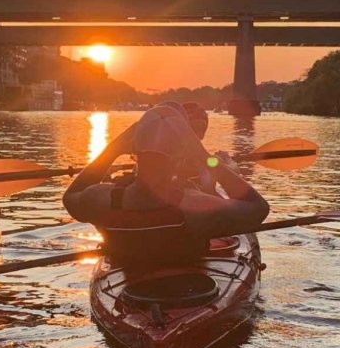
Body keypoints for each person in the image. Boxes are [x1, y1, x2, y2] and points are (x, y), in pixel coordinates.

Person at [63, 105, 268, 270]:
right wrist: (206, 158)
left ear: (133, 148)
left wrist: (112, 150)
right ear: (182, 152)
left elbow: (71, 195)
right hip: (191, 287)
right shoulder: (195, 206)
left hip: (131, 292)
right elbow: (258, 208)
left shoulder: (100, 199)